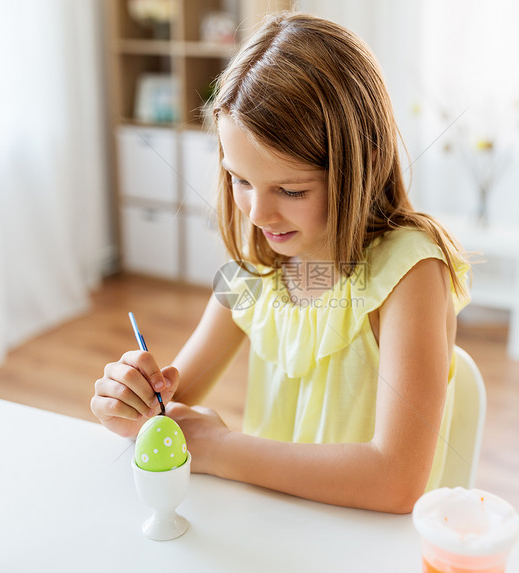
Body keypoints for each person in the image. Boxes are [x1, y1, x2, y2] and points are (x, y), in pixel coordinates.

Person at [91, 12, 470, 514]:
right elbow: (171, 399)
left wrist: (221, 448)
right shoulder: (253, 272)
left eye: (291, 190)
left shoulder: (410, 273)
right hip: (277, 526)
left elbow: (397, 480)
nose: (258, 212)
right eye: (240, 180)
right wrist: (132, 403)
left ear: (362, 161)